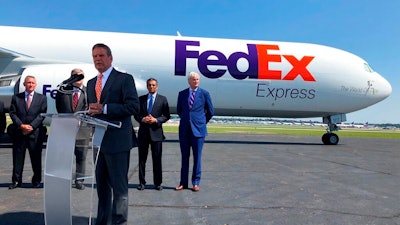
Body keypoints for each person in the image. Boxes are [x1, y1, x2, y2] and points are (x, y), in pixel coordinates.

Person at [87, 43, 139, 225]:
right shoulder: (91, 83)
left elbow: (133, 106)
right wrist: (90, 111)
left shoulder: (124, 79)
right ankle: (102, 221)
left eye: (101, 55)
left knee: (119, 190)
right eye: (94, 56)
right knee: (101, 188)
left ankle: (119, 222)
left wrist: (105, 107)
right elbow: (95, 109)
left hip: (118, 142)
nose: (97, 59)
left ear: (110, 58)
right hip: (99, 142)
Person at [175, 71, 214, 192]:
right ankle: (183, 183)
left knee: (197, 158)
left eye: (197, 79)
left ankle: (195, 183)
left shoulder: (205, 94)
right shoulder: (182, 94)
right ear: (189, 81)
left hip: (199, 131)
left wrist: (201, 122)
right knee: (184, 157)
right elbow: (179, 110)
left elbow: (210, 112)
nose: (196, 81)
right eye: (194, 79)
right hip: (185, 130)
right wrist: (188, 120)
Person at [8, 75, 47, 189]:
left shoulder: (42, 98)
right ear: (24, 84)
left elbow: (42, 114)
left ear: (35, 85)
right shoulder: (16, 97)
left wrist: (31, 126)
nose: (30, 84)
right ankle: (16, 181)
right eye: (28, 82)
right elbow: (12, 113)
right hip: (19, 133)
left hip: (35, 133)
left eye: (32, 83)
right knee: (17, 158)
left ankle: (36, 181)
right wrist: (21, 125)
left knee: (36, 158)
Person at [55, 68, 91, 190]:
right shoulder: (63, 91)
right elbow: (59, 108)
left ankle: (79, 181)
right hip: (66, 130)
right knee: (66, 157)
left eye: (81, 75)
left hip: (83, 131)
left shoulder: (88, 92)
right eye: (76, 76)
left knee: (81, 157)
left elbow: (91, 110)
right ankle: (65, 180)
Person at [134, 78, 170, 191]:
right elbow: (136, 114)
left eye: (153, 85)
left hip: (156, 133)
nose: (151, 87)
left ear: (157, 86)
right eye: (149, 85)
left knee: (157, 159)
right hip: (143, 133)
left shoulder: (163, 99)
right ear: (147, 86)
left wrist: (156, 120)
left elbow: (166, 115)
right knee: (142, 160)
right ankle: (141, 182)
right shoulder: (141, 99)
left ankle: (158, 183)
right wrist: (143, 119)